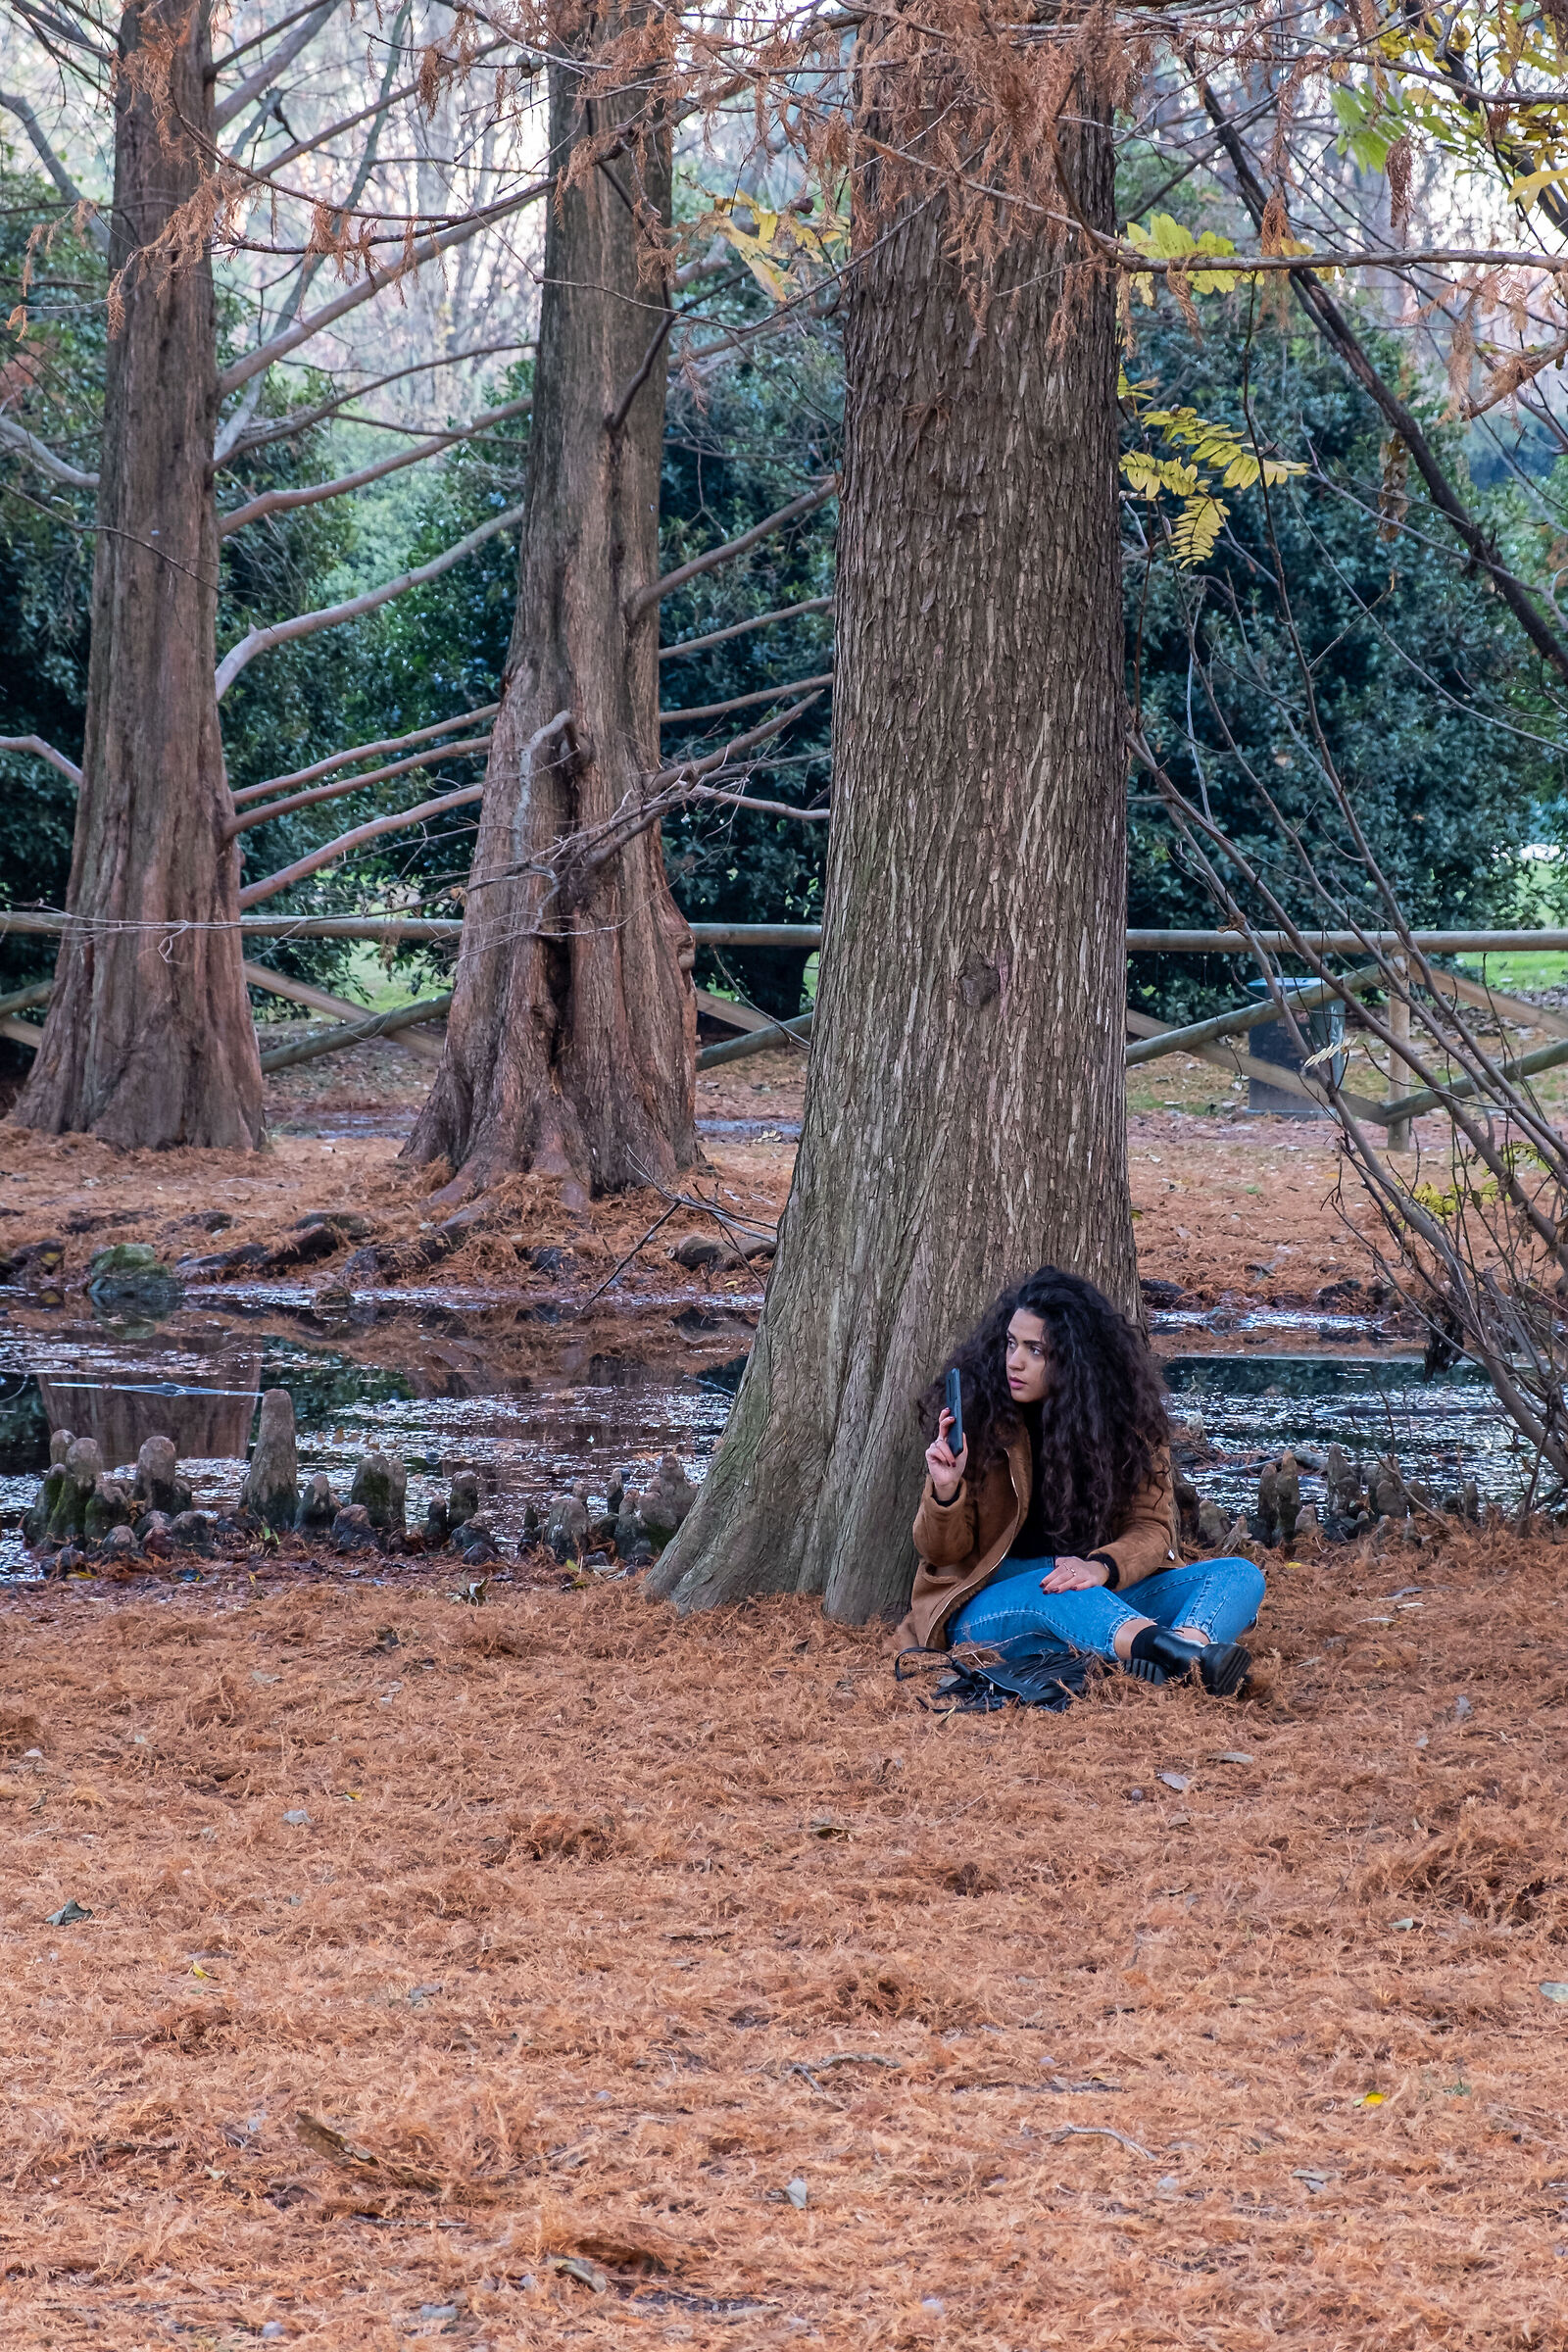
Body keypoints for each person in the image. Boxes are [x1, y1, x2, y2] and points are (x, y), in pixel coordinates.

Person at [899, 1265, 1263, 1695]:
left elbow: (1152, 1529)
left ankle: (1184, 1652)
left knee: (1239, 1575)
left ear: (1075, 1359)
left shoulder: (1128, 1425)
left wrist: (1099, 1566)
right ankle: (1171, 1655)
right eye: (1012, 1344)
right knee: (1054, 1593)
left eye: (1036, 1351)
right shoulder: (981, 1419)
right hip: (995, 1604)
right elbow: (943, 1552)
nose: (1014, 1361)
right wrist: (946, 1489)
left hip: (1099, 1591)